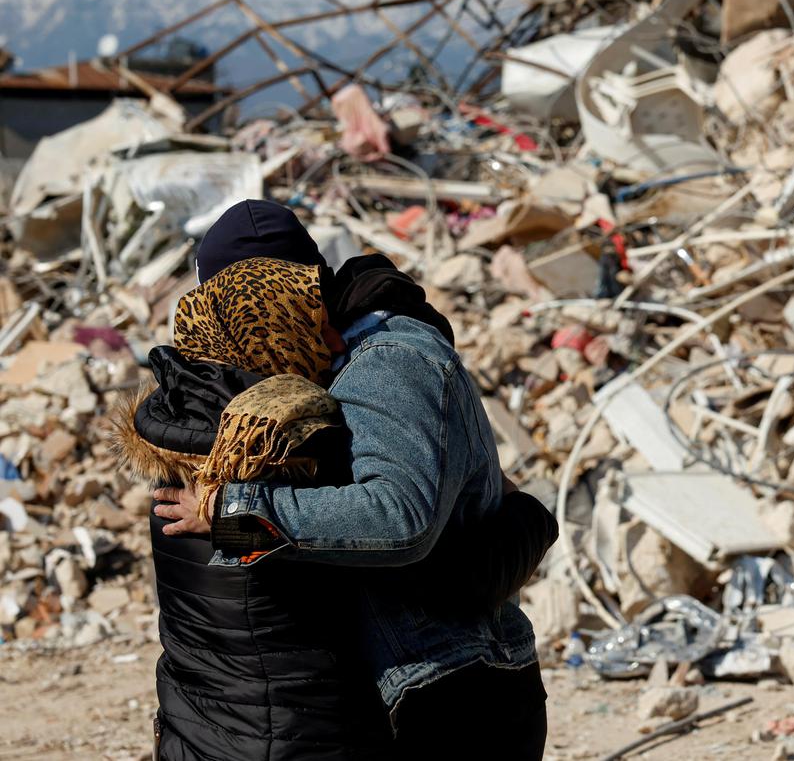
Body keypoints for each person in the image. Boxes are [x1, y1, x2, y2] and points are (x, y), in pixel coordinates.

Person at [154, 201, 555, 759]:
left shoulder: (389, 358)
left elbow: (399, 521)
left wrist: (231, 516)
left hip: (453, 691)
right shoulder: (350, 364)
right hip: (421, 689)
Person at [114, 257, 392, 759]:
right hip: (293, 737)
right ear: (268, 331)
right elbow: (272, 541)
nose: (333, 344)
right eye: (312, 325)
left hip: (197, 726)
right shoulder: (273, 449)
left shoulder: (178, 434)